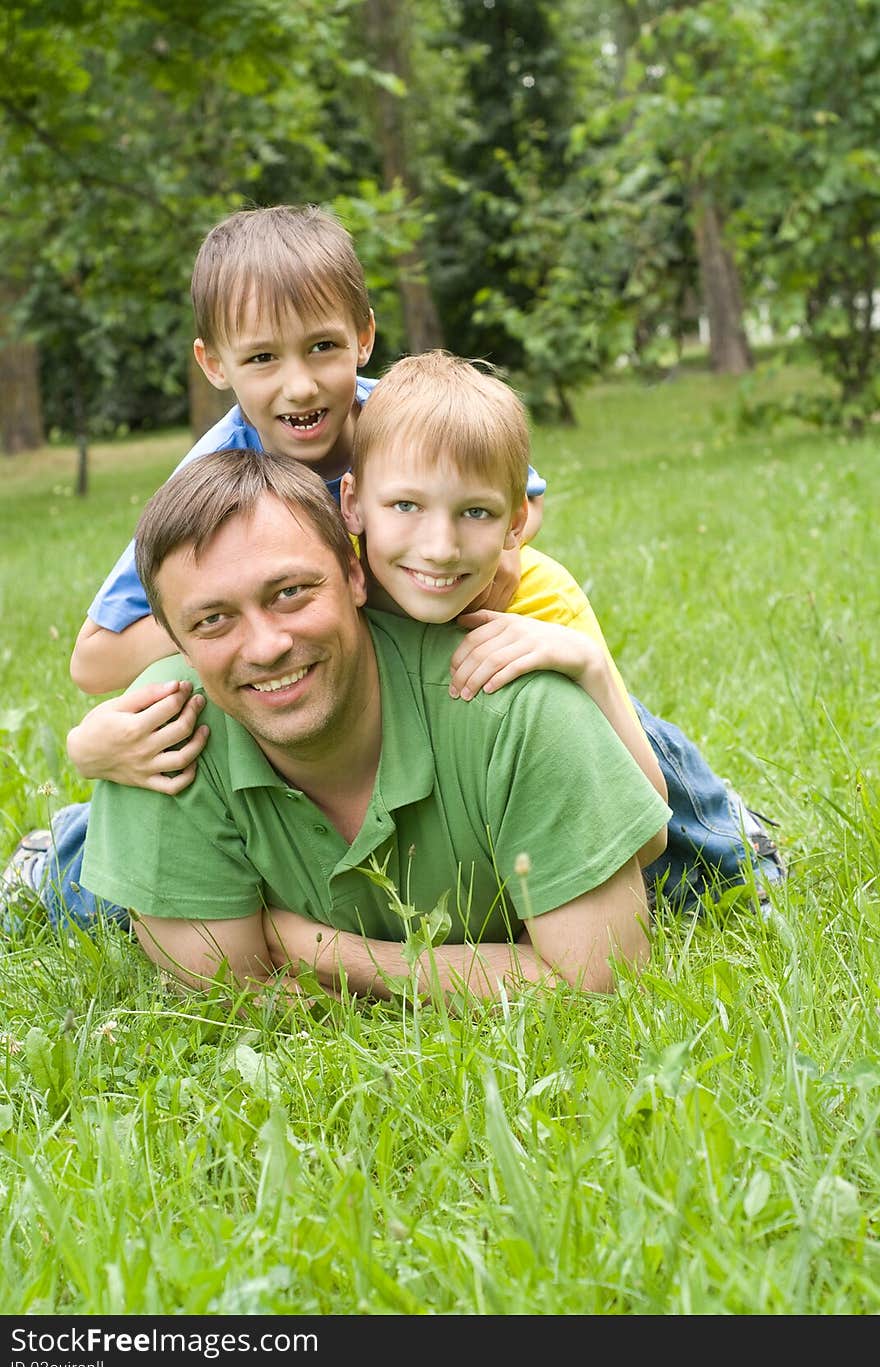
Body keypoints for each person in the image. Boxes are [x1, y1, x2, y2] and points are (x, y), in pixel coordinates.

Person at [1, 205, 783, 927]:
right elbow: (95, 656)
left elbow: (523, 500)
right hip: (329, 678)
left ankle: (719, 835)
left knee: (569, 713)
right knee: (196, 779)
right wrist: (249, 616)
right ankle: (62, 858)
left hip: (447, 643)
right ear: (213, 363)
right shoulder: (212, 486)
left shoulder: (407, 421)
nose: (300, 383)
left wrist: (452, 565)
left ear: (364, 337)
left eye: (322, 348)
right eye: (263, 357)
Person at [77, 448, 672, 1002]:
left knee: (691, 841)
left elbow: (598, 979)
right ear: (175, 640)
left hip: (605, 765)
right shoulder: (158, 734)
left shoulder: (517, 707)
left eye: (290, 592)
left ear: (356, 577)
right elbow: (230, 995)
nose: (265, 646)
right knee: (74, 886)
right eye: (212, 620)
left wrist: (315, 948)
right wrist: (499, 975)